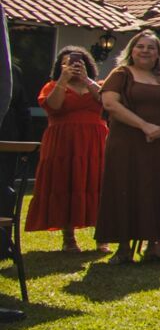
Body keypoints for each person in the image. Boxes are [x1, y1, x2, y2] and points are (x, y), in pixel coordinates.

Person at [96, 30, 160, 264]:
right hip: (126, 143)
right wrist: (145, 126)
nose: (145, 51)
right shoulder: (121, 74)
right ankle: (124, 248)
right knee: (125, 187)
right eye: (140, 46)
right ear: (131, 50)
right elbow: (110, 104)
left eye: (151, 47)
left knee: (157, 188)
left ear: (159, 53)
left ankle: (155, 246)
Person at [26, 46, 107, 253]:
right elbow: (53, 105)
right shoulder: (52, 86)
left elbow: (105, 102)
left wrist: (86, 80)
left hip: (94, 141)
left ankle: (102, 237)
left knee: (97, 183)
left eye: (77, 63)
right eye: (66, 63)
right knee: (65, 181)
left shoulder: (97, 85)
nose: (72, 66)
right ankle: (68, 237)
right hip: (63, 143)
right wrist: (63, 79)